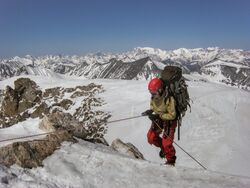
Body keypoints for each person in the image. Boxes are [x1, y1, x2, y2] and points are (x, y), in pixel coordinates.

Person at [142, 78, 177, 166]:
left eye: (154, 93)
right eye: (151, 93)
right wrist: (150, 111)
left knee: (167, 143)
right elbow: (153, 106)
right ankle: (164, 149)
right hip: (159, 118)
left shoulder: (169, 98)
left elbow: (172, 115)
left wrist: (159, 116)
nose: (152, 95)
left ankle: (171, 161)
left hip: (170, 121)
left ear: (160, 89)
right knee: (151, 137)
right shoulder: (154, 96)